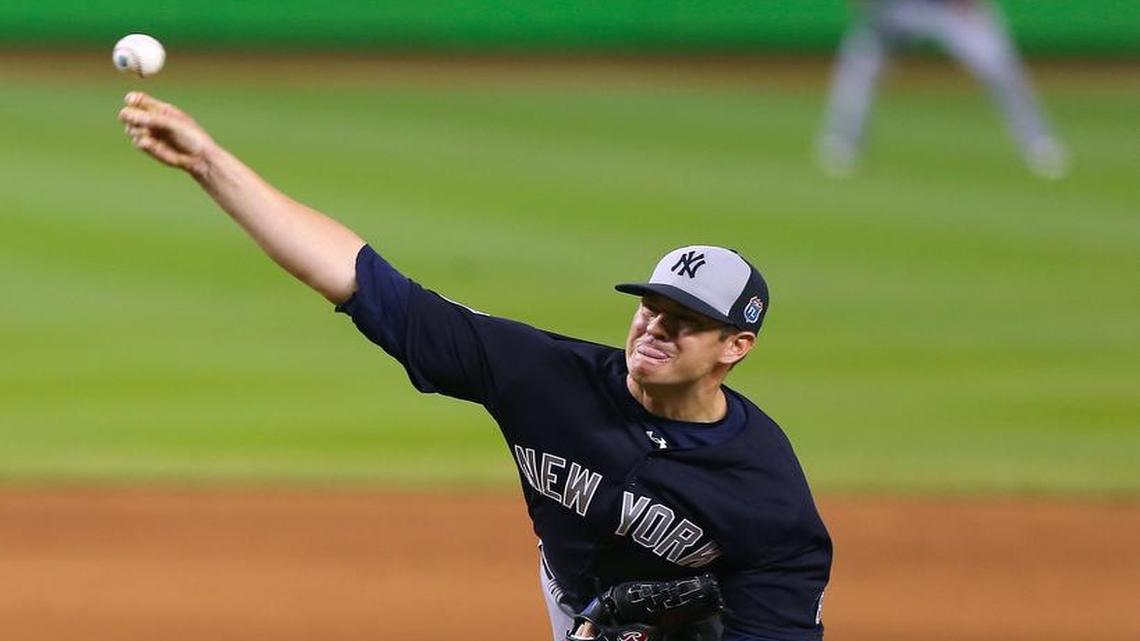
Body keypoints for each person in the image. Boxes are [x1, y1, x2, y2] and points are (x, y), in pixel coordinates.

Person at [119, 92, 833, 641]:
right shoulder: (542, 374)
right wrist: (209, 161)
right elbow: (364, 281)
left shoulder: (767, 496)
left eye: (686, 320)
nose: (655, 325)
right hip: (573, 604)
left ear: (734, 346)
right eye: (650, 305)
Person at [818, 0, 1069, 179]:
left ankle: (1037, 141)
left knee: (999, 69)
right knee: (859, 71)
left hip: (951, 8)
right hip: (897, 7)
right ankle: (843, 141)